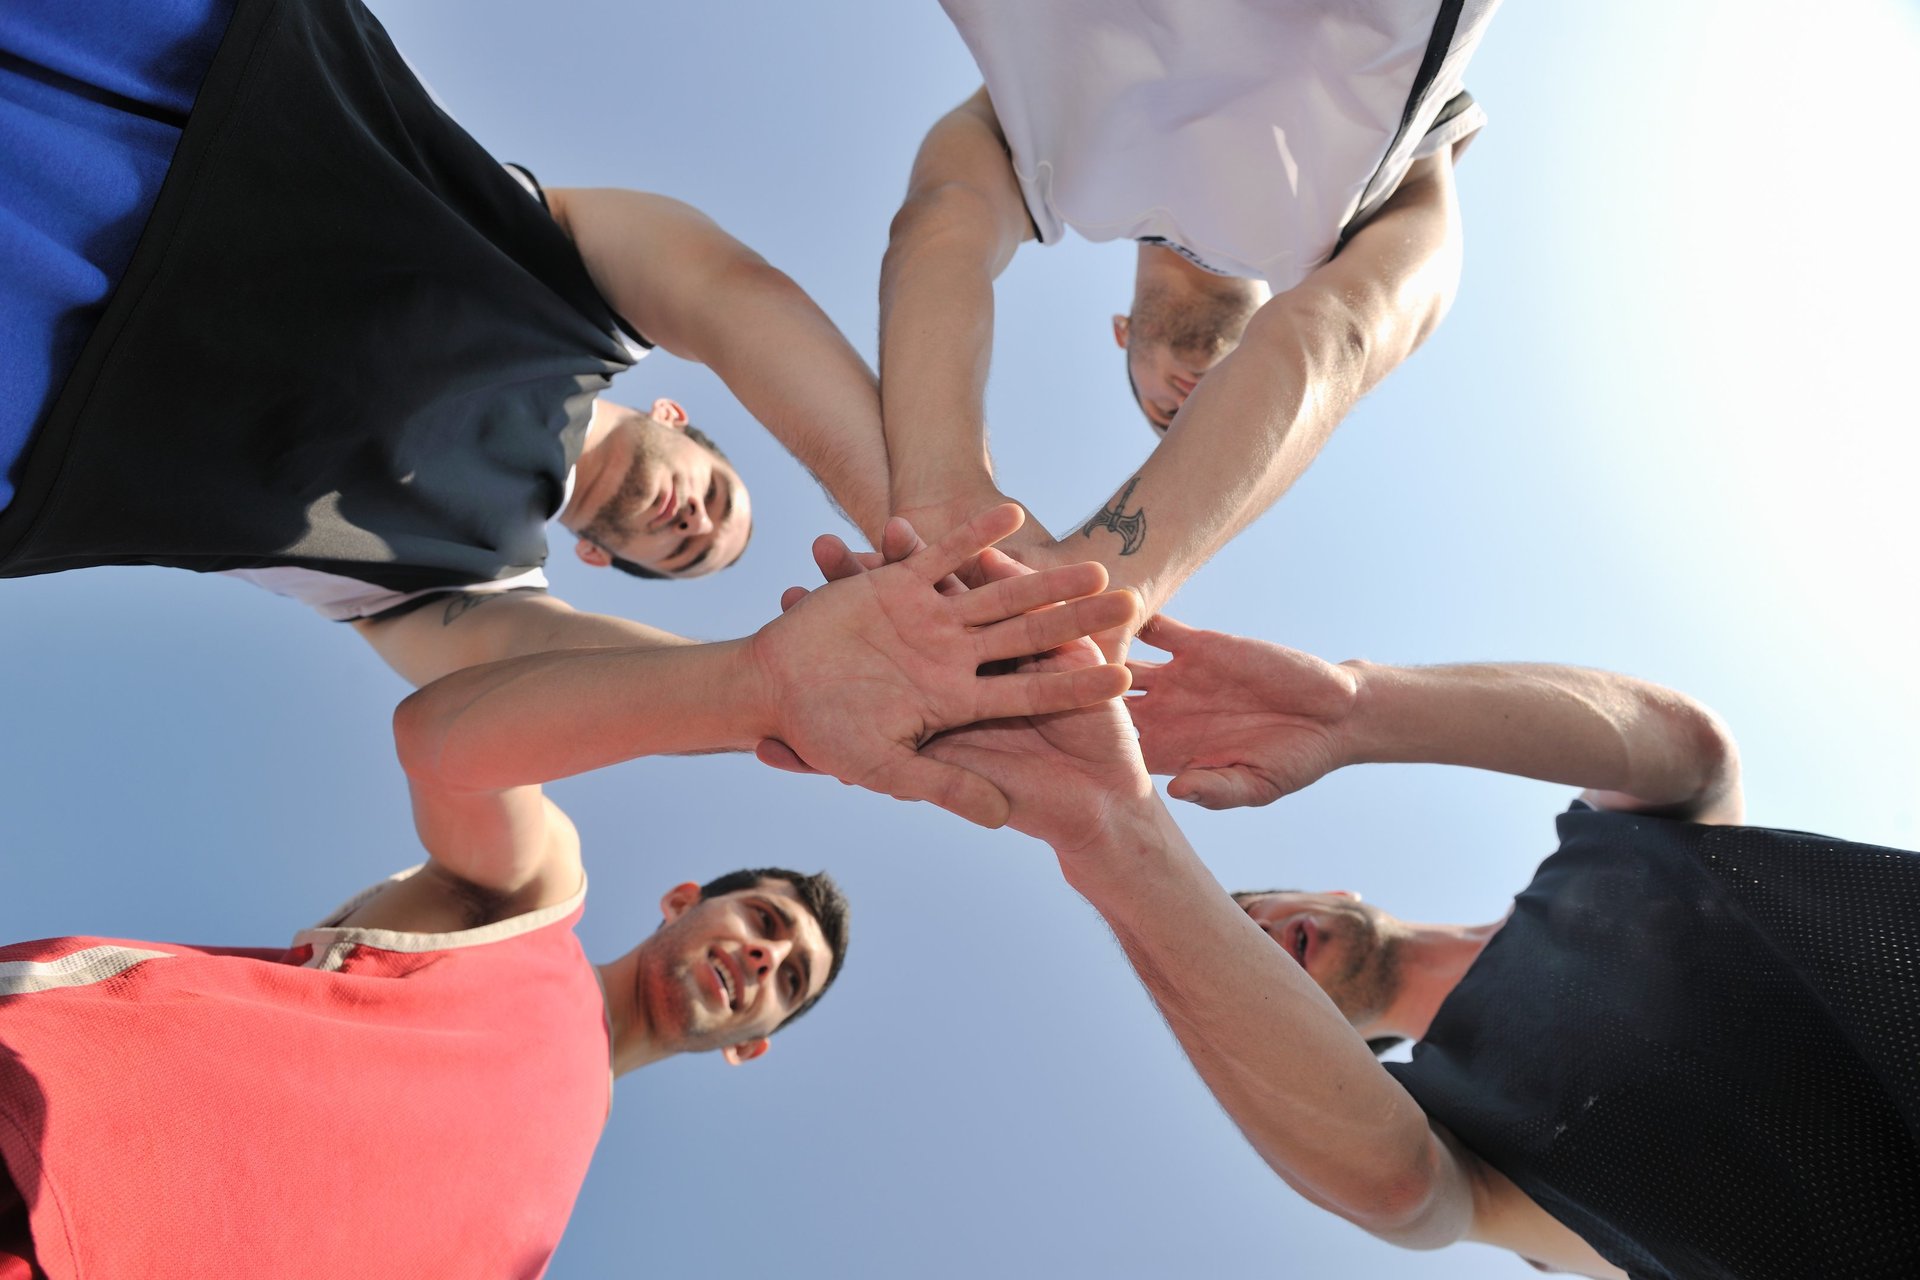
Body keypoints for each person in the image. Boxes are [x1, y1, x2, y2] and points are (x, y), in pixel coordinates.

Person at [0, 509, 1140, 1277]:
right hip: (40, 1125)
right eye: (765, 922)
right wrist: (760, 688)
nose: (763, 958)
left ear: (754, 1043)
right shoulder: (536, 904)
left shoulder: (535, 1233)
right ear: (685, 896)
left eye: (788, 979)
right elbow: (444, 739)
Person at [907, 609, 1919, 1279]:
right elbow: (1400, 1189)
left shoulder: (1611, 857)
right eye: (1238, 952)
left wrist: (1359, 708)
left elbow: (1686, 749)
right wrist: (1116, 842)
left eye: (1253, 908)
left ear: (1333, 890)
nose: (1258, 937)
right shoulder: (1457, 1137)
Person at [0, 0, 894, 683]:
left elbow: (532, 672)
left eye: (688, 551)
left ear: (599, 556)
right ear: (675, 412)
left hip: (37, 390)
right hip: (176, 75)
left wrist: (763, 679)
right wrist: (917, 523)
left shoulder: (456, 584)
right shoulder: (598, 301)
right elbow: (730, 293)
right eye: (718, 495)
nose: (695, 521)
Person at [878, 0, 1500, 651]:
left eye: (1160, 411)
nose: (1187, 406)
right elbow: (1338, 335)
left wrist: (941, 505)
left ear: (1122, 332)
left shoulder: (1037, 159)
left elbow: (942, 222)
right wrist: (1108, 591)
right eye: (1198, 420)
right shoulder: (1363, 210)